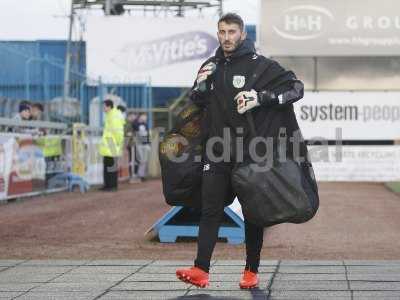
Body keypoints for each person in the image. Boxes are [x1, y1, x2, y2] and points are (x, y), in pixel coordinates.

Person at [175, 13, 305, 289]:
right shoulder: (211, 65)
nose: (226, 37)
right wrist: (199, 84)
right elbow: (197, 100)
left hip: (250, 152)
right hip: (217, 150)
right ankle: (201, 269)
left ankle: (251, 271)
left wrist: (261, 98)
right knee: (210, 209)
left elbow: (296, 88)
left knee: (253, 212)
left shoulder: (262, 66)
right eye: (221, 32)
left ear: (242, 34)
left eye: (231, 32)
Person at [98, 99, 125, 191]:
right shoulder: (110, 115)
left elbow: (118, 132)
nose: (103, 108)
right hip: (108, 146)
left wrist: (117, 143)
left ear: (109, 106)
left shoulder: (114, 116)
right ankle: (107, 185)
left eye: (104, 106)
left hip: (112, 145)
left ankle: (113, 186)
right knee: (107, 166)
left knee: (111, 167)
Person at [135, 113, 151, 181]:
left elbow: (148, 134)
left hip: (146, 144)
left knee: (145, 160)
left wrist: (149, 143)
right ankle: (139, 174)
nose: (145, 118)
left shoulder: (146, 124)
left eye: (146, 116)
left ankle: (142, 175)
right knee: (141, 160)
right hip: (139, 144)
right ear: (140, 116)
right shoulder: (135, 124)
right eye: (144, 116)